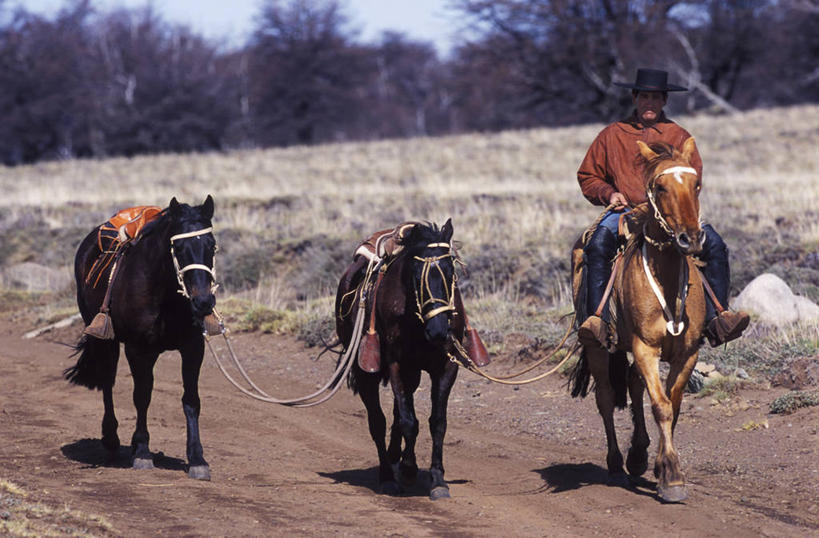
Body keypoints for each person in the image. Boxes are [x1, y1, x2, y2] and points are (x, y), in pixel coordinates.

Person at [576, 67, 749, 349]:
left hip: (673, 216)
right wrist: (609, 192)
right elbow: (587, 176)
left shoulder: (678, 135)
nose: (650, 103)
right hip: (627, 212)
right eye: (645, 96)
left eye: (656, 98)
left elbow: (693, 179)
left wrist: (680, 205)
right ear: (635, 97)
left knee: (715, 245)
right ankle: (598, 321)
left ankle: (718, 318)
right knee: (597, 245)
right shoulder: (612, 135)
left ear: (665, 101)